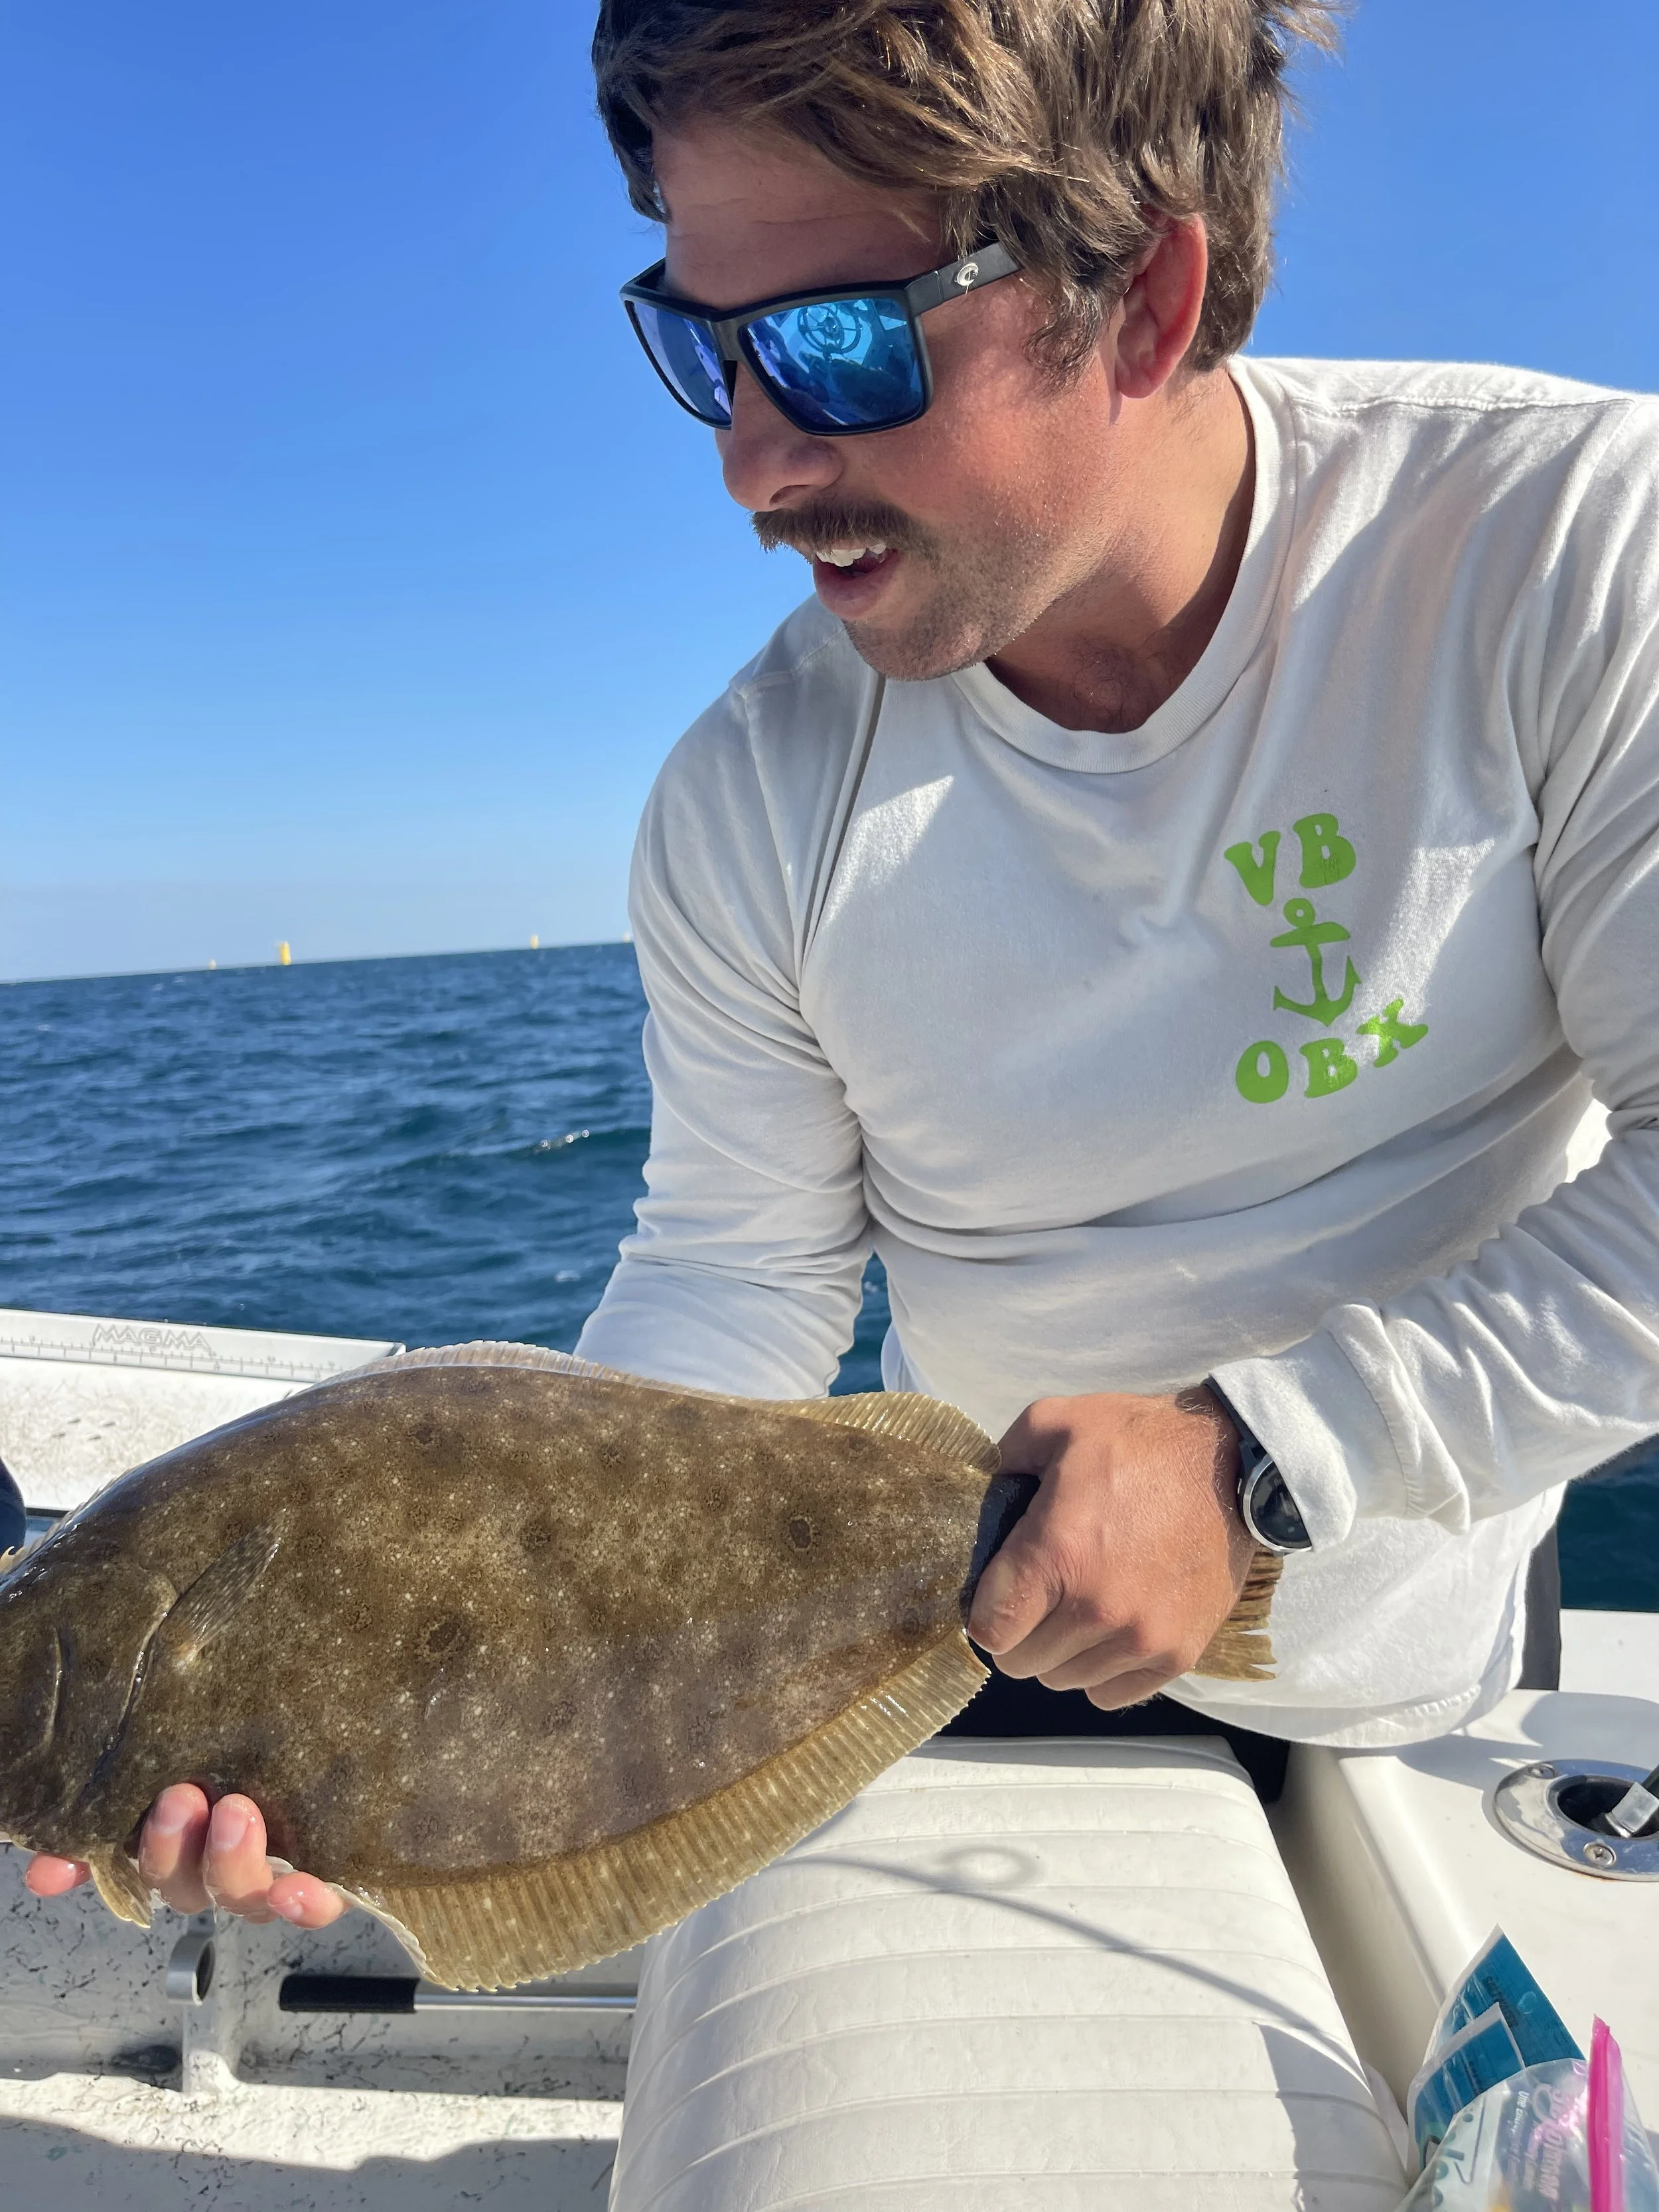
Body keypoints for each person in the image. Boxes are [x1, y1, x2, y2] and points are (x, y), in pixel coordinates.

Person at [27, 0, 1659, 1925]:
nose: (749, 463)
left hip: (1415, 1667)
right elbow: (734, 1281)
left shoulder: (1563, 555)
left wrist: (1261, 1459)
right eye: (702, 346)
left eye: (833, 344)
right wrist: (416, 1678)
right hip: (936, 1665)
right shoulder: (747, 797)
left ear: (1141, 298)